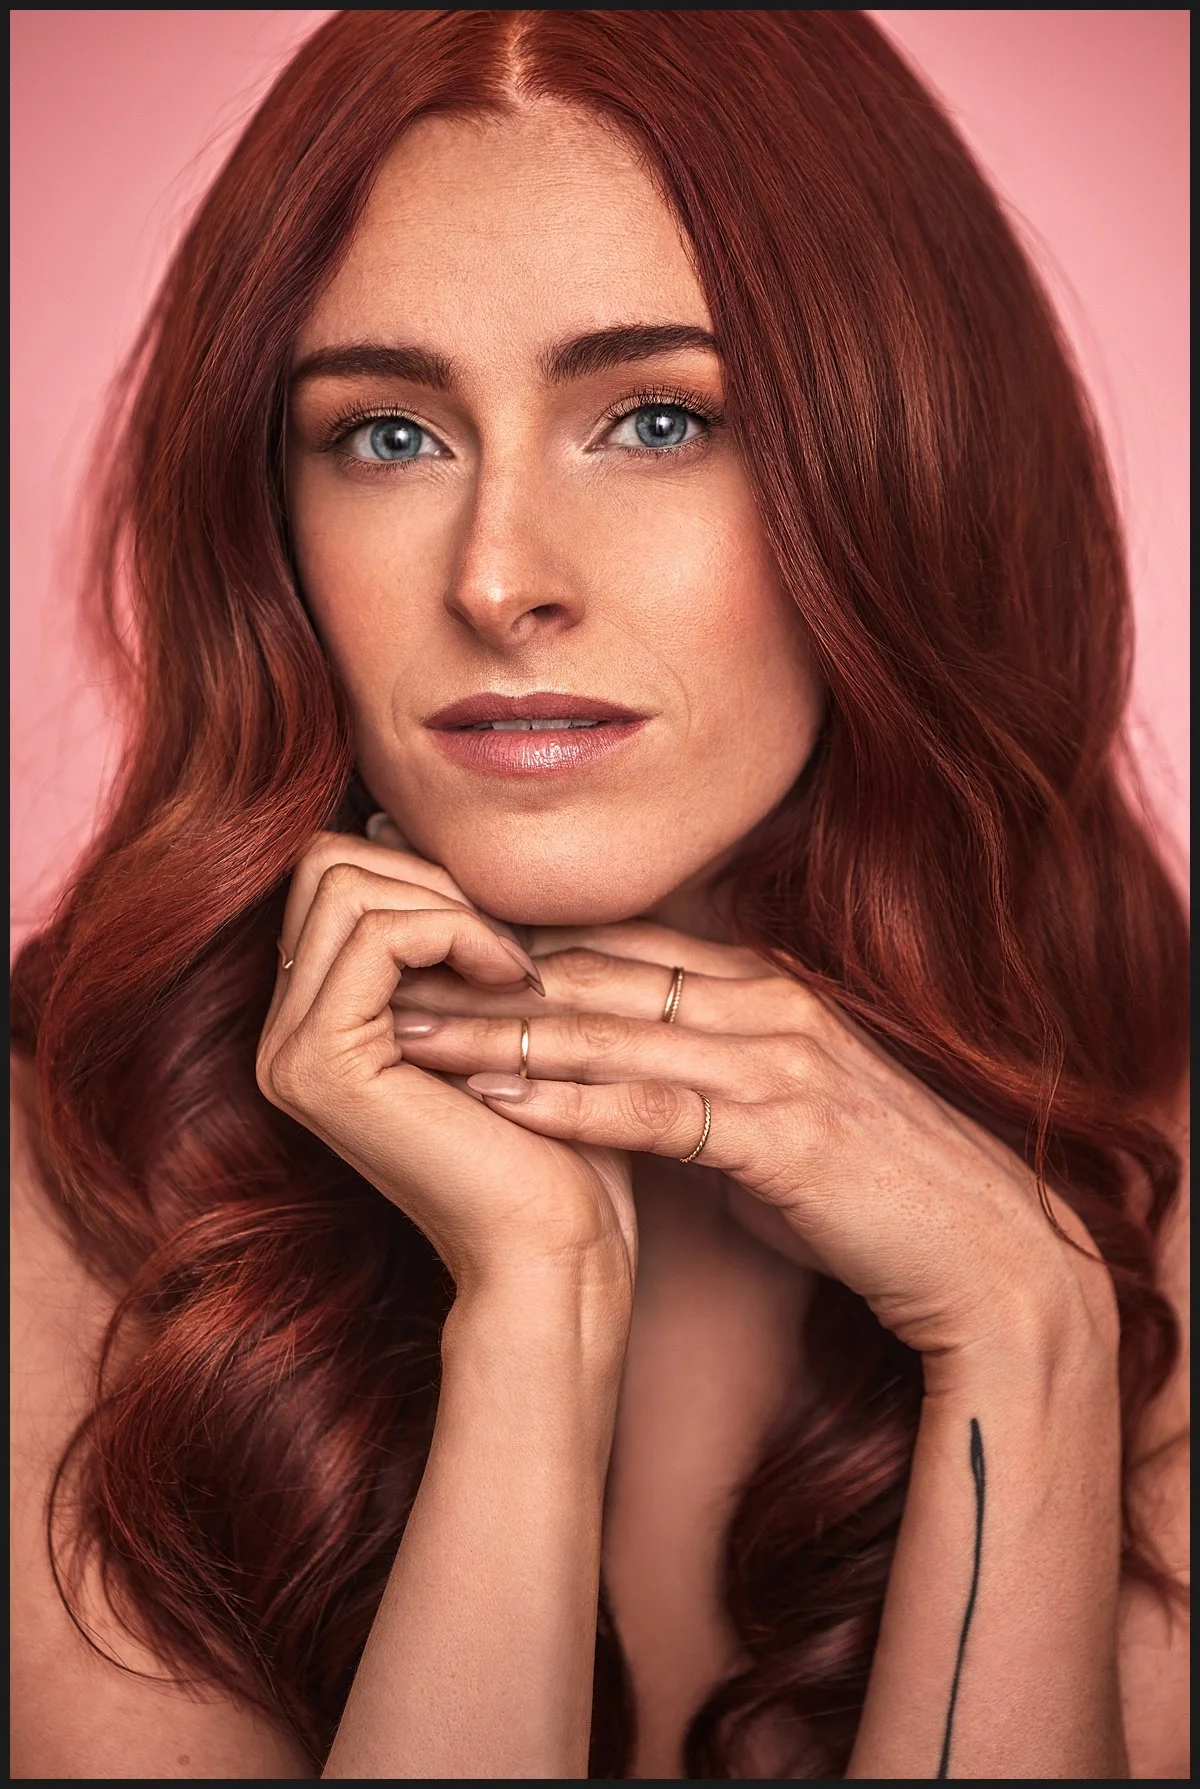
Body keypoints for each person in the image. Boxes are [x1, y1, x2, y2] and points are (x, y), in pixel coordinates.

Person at [9, 10, 1189, 1780]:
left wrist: (1026, 1337)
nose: (498, 580)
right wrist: (537, 1309)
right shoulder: (67, 1172)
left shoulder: (1162, 1162)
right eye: (386, 437)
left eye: (656, 419)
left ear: (909, 459)